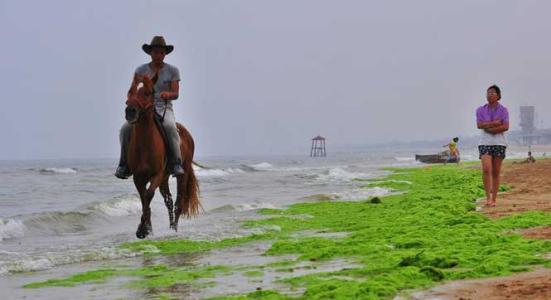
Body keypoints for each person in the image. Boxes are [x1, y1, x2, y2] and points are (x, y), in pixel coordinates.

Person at [115, 36, 185, 179]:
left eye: (161, 52)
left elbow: (176, 93)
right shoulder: (141, 70)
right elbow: (133, 89)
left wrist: (168, 94)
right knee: (125, 129)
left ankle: (176, 162)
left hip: (163, 106)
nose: (158, 55)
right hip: (143, 107)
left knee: (170, 127)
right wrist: (131, 99)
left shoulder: (173, 71)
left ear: (165, 54)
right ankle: (123, 165)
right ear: (150, 53)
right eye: (155, 52)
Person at [476, 85, 509, 207]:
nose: (489, 95)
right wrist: (495, 123)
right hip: (484, 142)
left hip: (499, 143)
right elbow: (479, 125)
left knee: (496, 172)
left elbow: (505, 126)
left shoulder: (503, 110)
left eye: (492, 93)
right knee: (486, 169)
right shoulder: (480, 110)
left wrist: (489, 128)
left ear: (498, 96)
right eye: (488, 93)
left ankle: (494, 198)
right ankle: (488, 197)